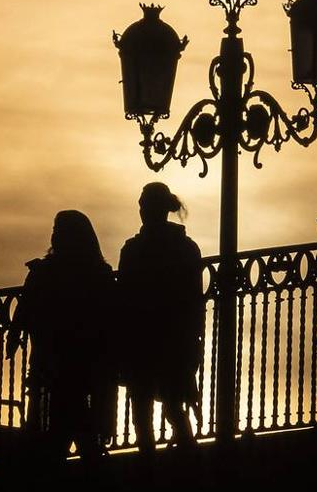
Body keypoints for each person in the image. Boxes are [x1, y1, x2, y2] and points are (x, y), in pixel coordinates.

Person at [7, 210, 118, 465]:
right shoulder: (98, 274)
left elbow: (25, 309)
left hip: (58, 369)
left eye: (59, 231)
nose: (54, 236)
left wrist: (16, 333)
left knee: (50, 442)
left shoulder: (44, 273)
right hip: (81, 372)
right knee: (84, 440)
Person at [118, 182, 205, 456]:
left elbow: (124, 296)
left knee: (143, 407)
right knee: (172, 405)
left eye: (144, 205)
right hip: (174, 339)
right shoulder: (187, 248)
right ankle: (188, 457)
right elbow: (194, 300)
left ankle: (150, 465)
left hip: (143, 339)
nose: (141, 210)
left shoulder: (132, 250)